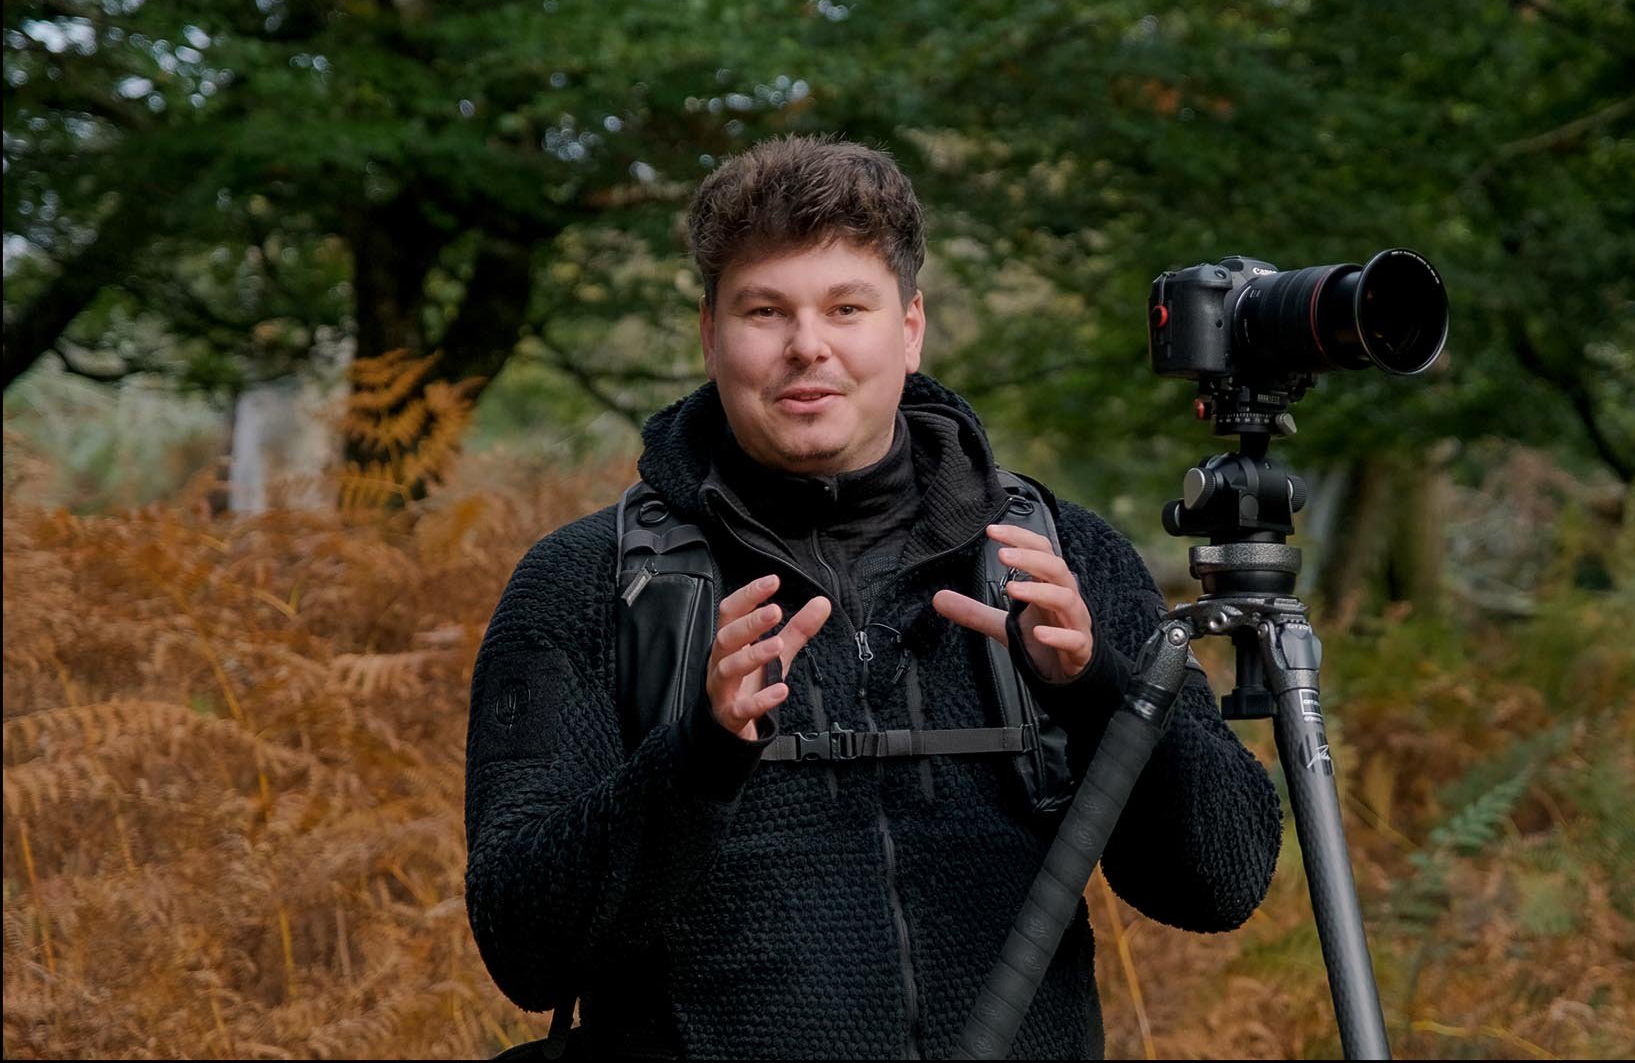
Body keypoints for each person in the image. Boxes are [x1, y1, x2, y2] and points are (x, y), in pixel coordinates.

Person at [464, 134, 1282, 1060]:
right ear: (709, 333)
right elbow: (520, 943)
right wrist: (694, 756)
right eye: (764, 310)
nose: (806, 346)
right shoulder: (587, 585)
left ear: (910, 326)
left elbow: (1224, 879)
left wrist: (1097, 691)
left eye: (846, 307)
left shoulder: (1062, 556)